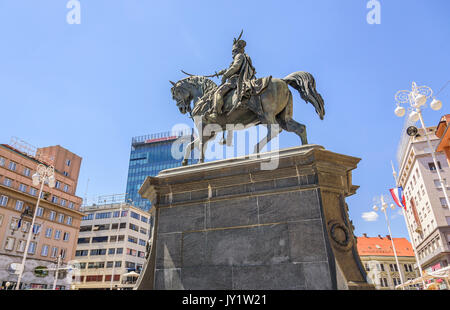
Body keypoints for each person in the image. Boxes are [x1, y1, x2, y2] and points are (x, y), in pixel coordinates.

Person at [209, 33, 256, 120]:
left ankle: (215, 113)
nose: (232, 54)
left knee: (218, 92)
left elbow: (235, 67)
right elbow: (232, 67)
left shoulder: (239, 56)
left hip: (235, 81)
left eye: (233, 52)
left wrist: (225, 75)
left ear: (237, 50)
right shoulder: (244, 57)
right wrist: (222, 71)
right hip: (239, 79)